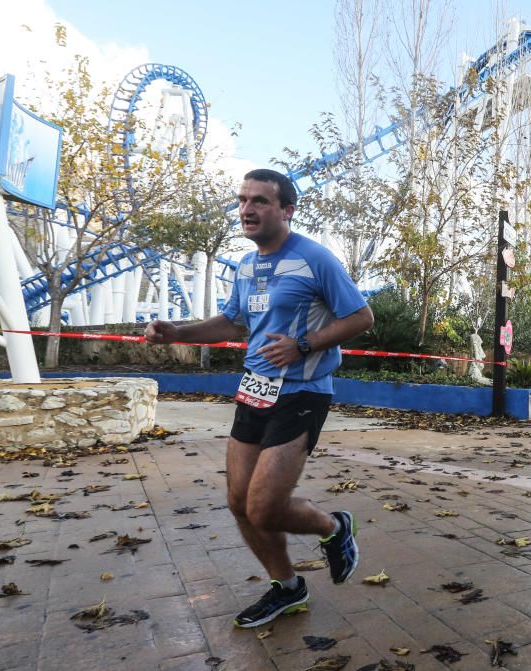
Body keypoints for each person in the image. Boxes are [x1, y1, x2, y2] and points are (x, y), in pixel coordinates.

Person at [145, 169, 374, 628]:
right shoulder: (247, 266)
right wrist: (180, 332)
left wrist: (305, 344)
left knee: (265, 506)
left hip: (304, 392)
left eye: (261, 201)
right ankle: (287, 587)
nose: (248, 209)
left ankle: (334, 528)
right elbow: (233, 323)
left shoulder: (315, 259)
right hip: (254, 389)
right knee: (237, 501)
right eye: (243, 200)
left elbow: (361, 317)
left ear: (286, 210)